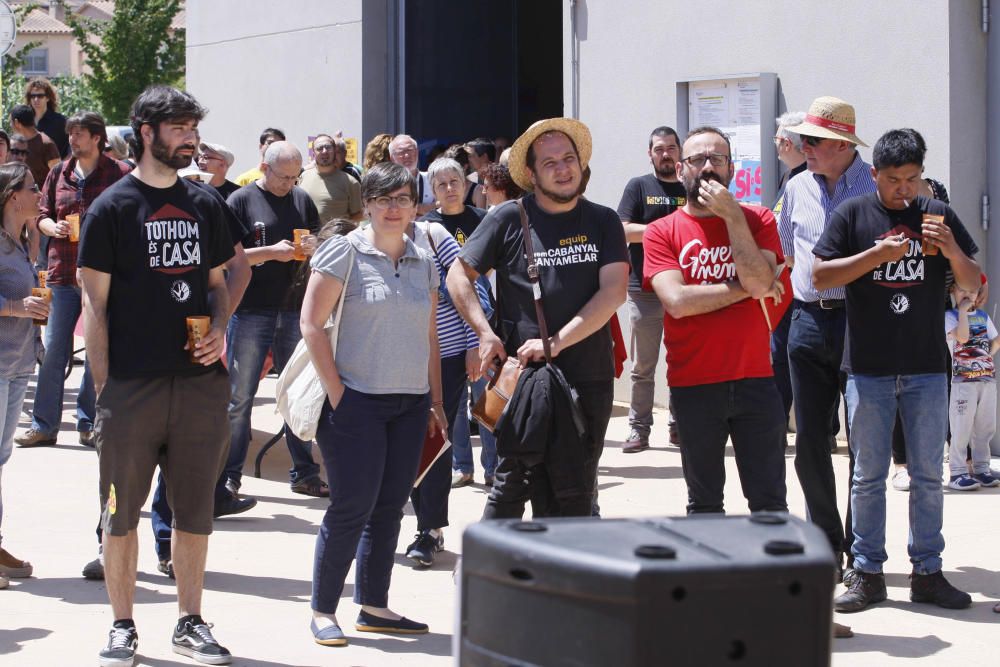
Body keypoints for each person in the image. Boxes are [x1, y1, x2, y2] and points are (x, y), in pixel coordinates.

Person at [79, 85, 235, 666]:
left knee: (196, 511)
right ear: (147, 132)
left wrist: (220, 328)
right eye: (179, 127)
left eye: (193, 126)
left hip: (199, 385)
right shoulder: (112, 207)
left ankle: (190, 621)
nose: (190, 137)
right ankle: (122, 624)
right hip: (132, 385)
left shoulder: (205, 203)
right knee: (121, 512)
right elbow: (93, 303)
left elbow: (219, 283)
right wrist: (103, 389)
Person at [813, 128, 978, 613]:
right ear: (874, 175)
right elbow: (819, 276)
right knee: (867, 476)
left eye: (911, 179)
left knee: (928, 474)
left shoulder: (938, 216)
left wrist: (950, 249)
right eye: (892, 180)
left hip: (927, 367)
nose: (903, 190)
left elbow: (972, 282)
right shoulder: (854, 214)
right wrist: (872, 258)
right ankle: (867, 572)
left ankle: (928, 571)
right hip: (868, 369)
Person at [446, 117, 629, 519]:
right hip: (525, 379)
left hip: (587, 376)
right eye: (550, 163)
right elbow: (458, 275)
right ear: (530, 173)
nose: (563, 169)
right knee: (513, 483)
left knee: (576, 485)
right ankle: (488, 573)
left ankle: (562, 575)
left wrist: (557, 342)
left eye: (569, 159)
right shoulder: (509, 218)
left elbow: (613, 291)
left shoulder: (602, 220)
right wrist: (483, 331)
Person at [301, 161, 447, 645]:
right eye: (383, 199)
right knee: (350, 507)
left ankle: (374, 606)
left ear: (414, 206)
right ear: (366, 205)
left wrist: (435, 400)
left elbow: (428, 333)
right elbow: (310, 324)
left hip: (410, 404)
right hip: (356, 403)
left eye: (402, 198)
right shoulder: (344, 252)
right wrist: (340, 395)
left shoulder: (423, 258)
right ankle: (323, 610)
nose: (393, 208)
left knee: (389, 508)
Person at [643, 126, 788, 514]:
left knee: (769, 500)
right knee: (704, 502)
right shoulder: (661, 231)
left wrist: (733, 219)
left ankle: (771, 575)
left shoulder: (758, 220)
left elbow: (760, 281)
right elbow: (676, 301)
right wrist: (750, 287)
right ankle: (712, 576)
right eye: (697, 160)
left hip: (756, 379)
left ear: (732, 170)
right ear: (680, 169)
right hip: (694, 384)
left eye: (717, 159)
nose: (708, 167)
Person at [776, 96, 876, 568]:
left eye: (811, 140)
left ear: (839, 143)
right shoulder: (795, 187)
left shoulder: (877, 186)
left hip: (863, 323)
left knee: (864, 444)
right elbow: (784, 252)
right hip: (808, 322)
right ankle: (826, 545)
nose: (802, 147)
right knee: (810, 442)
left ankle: (861, 549)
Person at [214, 141, 327, 516]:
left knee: (297, 395)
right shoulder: (241, 201)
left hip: (293, 308)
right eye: (284, 177)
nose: (289, 184)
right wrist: (268, 253)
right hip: (251, 310)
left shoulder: (301, 199)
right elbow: (227, 259)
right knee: (240, 398)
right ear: (264, 167)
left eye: (296, 177)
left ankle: (305, 471)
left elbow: (317, 238)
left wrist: (313, 246)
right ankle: (228, 476)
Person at [14, 112, 130, 451]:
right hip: (63, 272)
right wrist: (53, 228)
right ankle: (44, 425)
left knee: (96, 351)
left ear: (97, 138)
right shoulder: (58, 173)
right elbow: (41, 214)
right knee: (53, 351)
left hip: (104, 276)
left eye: (80, 134)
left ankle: (89, 422)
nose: (73, 140)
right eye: (71, 134)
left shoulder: (119, 173)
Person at [417, 157, 495, 490]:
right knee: (453, 407)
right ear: (433, 191)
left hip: (480, 321)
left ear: (466, 185)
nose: (449, 189)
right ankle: (461, 466)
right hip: (445, 337)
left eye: (455, 182)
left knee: (487, 401)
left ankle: (493, 466)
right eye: (441, 184)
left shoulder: (483, 220)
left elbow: (486, 269)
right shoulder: (428, 228)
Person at [618, 126, 687, 453]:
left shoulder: (691, 185)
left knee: (682, 361)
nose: (666, 154)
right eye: (659, 149)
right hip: (644, 289)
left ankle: (680, 425)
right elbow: (623, 230)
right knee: (643, 365)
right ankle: (638, 428)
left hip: (686, 290)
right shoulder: (639, 186)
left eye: (671, 148)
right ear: (650, 153)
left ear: (680, 150)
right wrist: (666, 230)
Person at [0, 162, 48, 588]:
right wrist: (18, 308)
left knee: (0, 459)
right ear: (14, 196)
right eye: (34, 188)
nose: (40, 195)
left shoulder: (20, 242)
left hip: (16, 364)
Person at [770, 111, 807, 426]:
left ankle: (825, 430)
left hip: (803, 285)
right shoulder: (789, 176)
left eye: (777, 139)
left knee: (795, 359)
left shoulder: (808, 177)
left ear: (786, 143)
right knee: (779, 355)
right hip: (784, 283)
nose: (776, 146)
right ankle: (780, 422)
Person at [944, 281, 999, 490]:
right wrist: (963, 312)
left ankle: (982, 467)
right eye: (962, 290)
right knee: (961, 427)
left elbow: (996, 340)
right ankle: (957, 471)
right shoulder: (950, 317)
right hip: (963, 382)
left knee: (985, 427)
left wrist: (985, 358)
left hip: (986, 380)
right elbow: (963, 337)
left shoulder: (984, 317)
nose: (967, 294)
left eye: (972, 291)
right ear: (952, 291)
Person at [298, 134, 363, 224]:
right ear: (313, 154)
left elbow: (359, 214)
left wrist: (340, 228)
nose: (324, 151)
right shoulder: (303, 176)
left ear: (335, 152)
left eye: (328, 147)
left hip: (336, 237)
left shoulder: (351, 182)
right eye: (319, 148)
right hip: (305, 236)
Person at [9, 104, 60, 188]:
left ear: (17, 123)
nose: (10, 126)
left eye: (10, 122)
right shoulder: (14, 144)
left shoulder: (46, 144)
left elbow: (58, 176)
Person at [388, 134, 435, 215]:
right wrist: (422, 208)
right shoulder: (385, 183)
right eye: (401, 152)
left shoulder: (432, 179)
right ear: (392, 158)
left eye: (410, 150)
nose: (407, 155)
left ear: (416, 153)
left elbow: (444, 205)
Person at [25, 78, 69, 157]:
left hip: (55, 168)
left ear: (48, 98)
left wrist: (62, 167)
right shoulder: (25, 121)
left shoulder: (61, 121)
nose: (36, 99)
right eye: (33, 96)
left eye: (40, 96)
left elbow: (71, 149)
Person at [464, 138, 496, 208]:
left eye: (470, 156)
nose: (467, 159)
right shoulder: (468, 181)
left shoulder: (499, 181)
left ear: (484, 157)